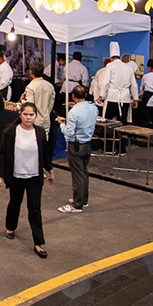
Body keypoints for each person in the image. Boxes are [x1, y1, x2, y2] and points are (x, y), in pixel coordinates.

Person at [0, 102, 55, 259]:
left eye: (31, 114)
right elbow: (2, 155)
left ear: (36, 116)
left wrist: (50, 171)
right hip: (16, 176)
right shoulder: (11, 132)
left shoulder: (40, 133)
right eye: (25, 114)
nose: (28, 117)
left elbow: (45, 154)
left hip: (34, 176)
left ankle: (38, 242)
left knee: (35, 209)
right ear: (20, 114)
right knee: (15, 203)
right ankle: (10, 227)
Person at [57, 85, 96, 213]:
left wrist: (62, 125)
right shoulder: (93, 108)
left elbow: (69, 134)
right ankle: (83, 199)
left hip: (76, 145)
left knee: (78, 174)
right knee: (84, 172)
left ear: (73, 96)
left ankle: (77, 204)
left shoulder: (73, 112)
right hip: (87, 144)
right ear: (85, 95)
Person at [97, 42, 138, 123]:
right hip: (125, 98)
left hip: (112, 97)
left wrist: (101, 95)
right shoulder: (128, 68)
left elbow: (105, 82)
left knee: (107, 121)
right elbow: (134, 85)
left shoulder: (110, 66)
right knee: (122, 122)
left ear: (111, 58)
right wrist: (135, 99)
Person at [21, 62, 55, 138]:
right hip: (46, 119)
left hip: (34, 121)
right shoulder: (50, 86)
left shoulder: (30, 87)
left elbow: (29, 107)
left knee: (33, 143)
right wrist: (45, 113)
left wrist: (22, 100)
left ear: (31, 72)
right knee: (43, 143)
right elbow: (51, 104)